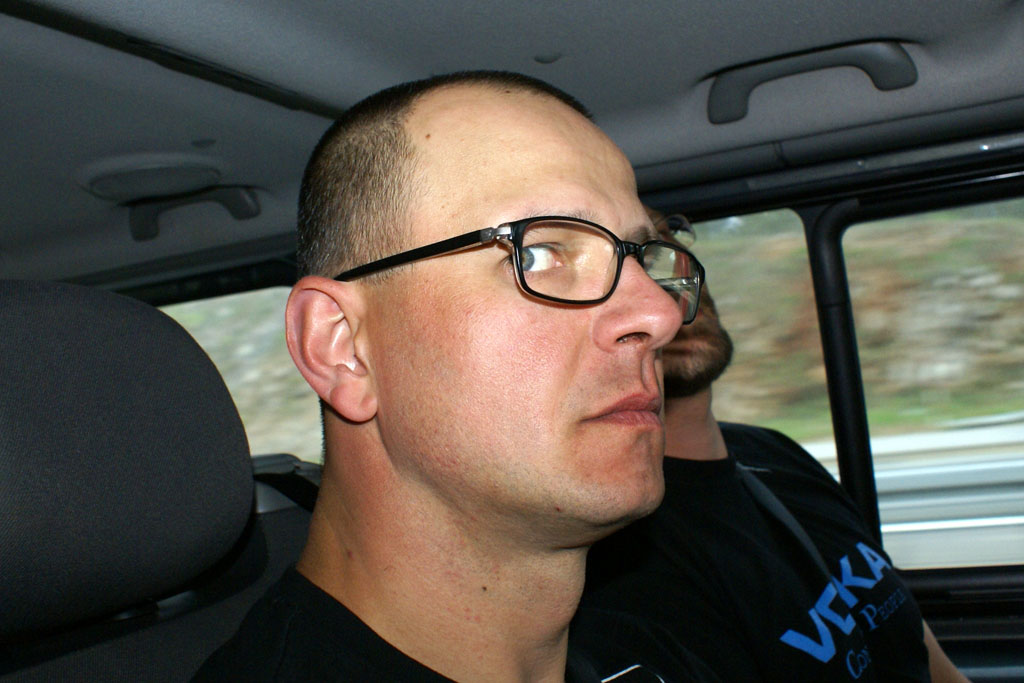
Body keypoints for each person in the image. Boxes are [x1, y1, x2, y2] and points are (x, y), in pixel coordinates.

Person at [194, 72, 719, 682]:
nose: (658, 313)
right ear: (341, 348)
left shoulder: (655, 646)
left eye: (644, 259)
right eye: (539, 253)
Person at [584, 211, 970, 682]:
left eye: (667, 245)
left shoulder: (771, 450)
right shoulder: (624, 547)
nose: (666, 288)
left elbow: (917, 650)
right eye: (633, 265)